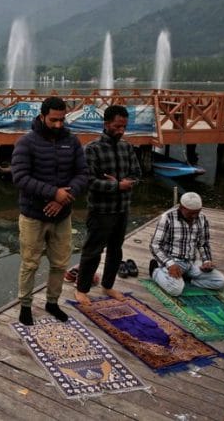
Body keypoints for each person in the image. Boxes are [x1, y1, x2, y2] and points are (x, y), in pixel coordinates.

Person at [11, 96, 89, 325]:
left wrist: (63, 198)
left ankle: (52, 302)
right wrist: (53, 193)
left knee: (60, 263)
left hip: (62, 215)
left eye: (62, 120)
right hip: (33, 215)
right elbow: (20, 177)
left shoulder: (72, 141)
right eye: (53, 120)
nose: (58, 125)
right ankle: (25, 305)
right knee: (30, 263)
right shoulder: (26, 142)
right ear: (42, 116)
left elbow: (83, 174)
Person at [74, 105, 142, 306]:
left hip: (122, 209)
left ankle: (108, 284)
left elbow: (137, 175)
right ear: (106, 124)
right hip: (101, 210)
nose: (121, 130)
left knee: (116, 250)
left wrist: (128, 183)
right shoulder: (92, 149)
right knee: (93, 251)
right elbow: (88, 181)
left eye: (124, 126)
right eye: (117, 126)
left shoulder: (127, 147)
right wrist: (116, 185)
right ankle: (82, 289)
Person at [149, 192, 224, 296]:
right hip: (173, 262)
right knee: (175, 290)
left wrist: (207, 261)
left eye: (197, 212)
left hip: (192, 262)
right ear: (181, 207)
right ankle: (155, 271)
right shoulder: (167, 218)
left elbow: (203, 243)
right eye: (191, 213)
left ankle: (187, 280)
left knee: (221, 281)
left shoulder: (202, 218)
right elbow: (155, 245)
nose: (194, 216)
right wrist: (170, 264)